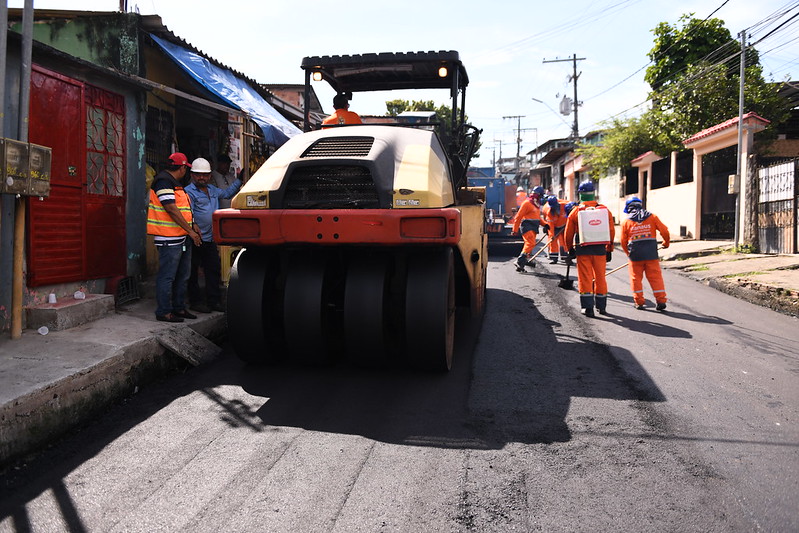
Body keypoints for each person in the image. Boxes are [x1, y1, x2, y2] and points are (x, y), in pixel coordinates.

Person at [147, 152, 202, 323]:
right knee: (168, 276)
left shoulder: (174, 183)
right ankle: (164, 311)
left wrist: (192, 224)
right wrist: (191, 231)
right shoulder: (163, 181)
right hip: (169, 239)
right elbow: (171, 208)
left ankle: (179, 308)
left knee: (182, 275)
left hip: (181, 237)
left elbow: (182, 209)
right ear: (183, 168)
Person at [185, 157, 243, 313]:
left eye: (204, 175)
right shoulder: (188, 192)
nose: (201, 177)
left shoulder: (212, 190)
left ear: (210, 175)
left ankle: (214, 301)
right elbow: (186, 213)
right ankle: (195, 302)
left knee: (213, 270)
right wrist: (192, 227)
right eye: (198, 175)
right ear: (192, 175)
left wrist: (240, 180)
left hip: (210, 238)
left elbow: (226, 193)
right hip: (195, 238)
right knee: (193, 272)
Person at [564, 181, 615, 317]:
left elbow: (568, 234)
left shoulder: (576, 211)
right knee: (600, 278)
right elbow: (611, 230)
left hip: (583, 250)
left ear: (580, 194)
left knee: (585, 278)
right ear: (593, 193)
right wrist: (609, 248)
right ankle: (601, 306)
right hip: (600, 250)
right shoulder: (604, 210)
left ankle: (588, 308)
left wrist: (570, 249)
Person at [620, 196, 671, 311]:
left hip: (635, 256)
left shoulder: (626, 222)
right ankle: (661, 300)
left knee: (635, 279)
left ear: (629, 208)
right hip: (651, 254)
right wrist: (666, 242)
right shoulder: (652, 217)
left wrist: (628, 253)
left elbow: (623, 242)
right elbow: (664, 231)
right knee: (656, 278)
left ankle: (639, 302)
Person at [511, 186, 544, 271]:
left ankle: (522, 264)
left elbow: (537, 218)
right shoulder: (527, 203)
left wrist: (546, 225)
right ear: (537, 195)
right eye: (540, 196)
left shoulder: (536, 205)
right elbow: (518, 217)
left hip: (534, 227)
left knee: (529, 245)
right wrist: (515, 230)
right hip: (527, 226)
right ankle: (520, 260)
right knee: (530, 243)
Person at [540, 196, 569, 264]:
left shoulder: (564, 205)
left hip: (564, 225)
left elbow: (573, 207)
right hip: (555, 226)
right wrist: (552, 235)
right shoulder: (548, 212)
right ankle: (553, 257)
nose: (553, 208)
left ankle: (565, 256)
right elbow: (550, 226)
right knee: (552, 240)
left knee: (565, 240)